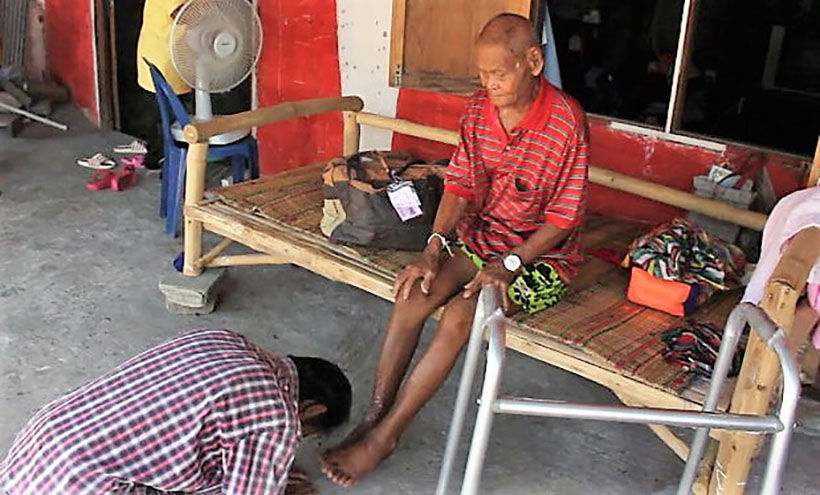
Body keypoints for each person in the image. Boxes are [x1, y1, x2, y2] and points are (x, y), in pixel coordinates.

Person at [320, 13, 590, 487]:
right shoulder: (480, 111)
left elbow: (562, 220)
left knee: (462, 317)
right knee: (413, 293)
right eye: (482, 75)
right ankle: (374, 417)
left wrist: (509, 265)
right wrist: (433, 247)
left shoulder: (566, 121)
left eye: (499, 75)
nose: (489, 85)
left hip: (540, 258)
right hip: (483, 237)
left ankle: (387, 438)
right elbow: (461, 184)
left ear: (533, 61)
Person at [0, 329, 352, 494]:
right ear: (310, 409)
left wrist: (264, 467)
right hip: (86, 487)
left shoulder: (222, 338)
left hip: (41, 444)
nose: (293, 443)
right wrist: (274, 486)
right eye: (304, 434)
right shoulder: (276, 416)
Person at [121, 0, 192, 168]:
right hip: (166, 63)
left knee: (164, 115)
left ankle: (162, 154)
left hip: (168, 59)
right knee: (165, 118)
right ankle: (162, 158)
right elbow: (184, 16)